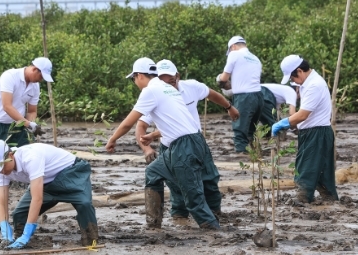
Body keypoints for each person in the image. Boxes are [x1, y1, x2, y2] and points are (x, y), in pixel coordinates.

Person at [106, 57, 228, 230]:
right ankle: (153, 224)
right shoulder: (168, 89)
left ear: (140, 75)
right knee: (153, 171)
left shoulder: (150, 91)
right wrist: (154, 135)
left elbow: (128, 123)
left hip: (184, 148)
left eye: (134, 79)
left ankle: (215, 234)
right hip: (189, 142)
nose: (135, 82)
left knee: (194, 200)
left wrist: (112, 139)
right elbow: (177, 123)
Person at [135, 59, 238, 220]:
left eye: (170, 78)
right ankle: (180, 217)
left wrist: (229, 107)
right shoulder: (156, 92)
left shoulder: (191, 87)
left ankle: (214, 214)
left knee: (209, 179)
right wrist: (146, 148)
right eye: (161, 78)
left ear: (177, 76)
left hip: (195, 142)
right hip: (171, 146)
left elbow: (212, 94)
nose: (166, 82)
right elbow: (140, 126)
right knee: (177, 186)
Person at [0, 139, 99, 248]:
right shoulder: (0, 170)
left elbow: (37, 198)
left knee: (84, 205)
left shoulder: (30, 158)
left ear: (10, 155)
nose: (1, 171)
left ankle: (91, 241)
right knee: (19, 214)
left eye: (2, 166)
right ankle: (21, 241)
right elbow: (1, 201)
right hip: (45, 183)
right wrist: (4, 228)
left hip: (71, 173)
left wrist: (28, 231)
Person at [271, 55, 338, 203]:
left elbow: (302, 115)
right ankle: (330, 200)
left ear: (300, 71)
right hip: (316, 132)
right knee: (322, 172)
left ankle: (302, 200)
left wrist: (283, 123)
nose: (293, 81)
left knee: (305, 169)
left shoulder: (314, 85)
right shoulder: (309, 83)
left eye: (292, 78)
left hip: (316, 134)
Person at [0, 57, 53, 188]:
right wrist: (27, 124)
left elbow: (32, 110)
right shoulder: (10, 76)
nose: (41, 80)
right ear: (34, 69)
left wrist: (30, 124)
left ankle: (22, 182)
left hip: (19, 124)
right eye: (41, 76)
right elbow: (7, 106)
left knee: (23, 153)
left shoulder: (35, 86)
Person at [217, 36, 271, 153]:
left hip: (244, 98)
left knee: (240, 129)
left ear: (233, 47)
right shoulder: (256, 59)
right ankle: (253, 153)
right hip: (258, 96)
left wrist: (219, 80)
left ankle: (241, 157)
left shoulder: (234, 54)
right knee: (251, 129)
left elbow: (224, 78)